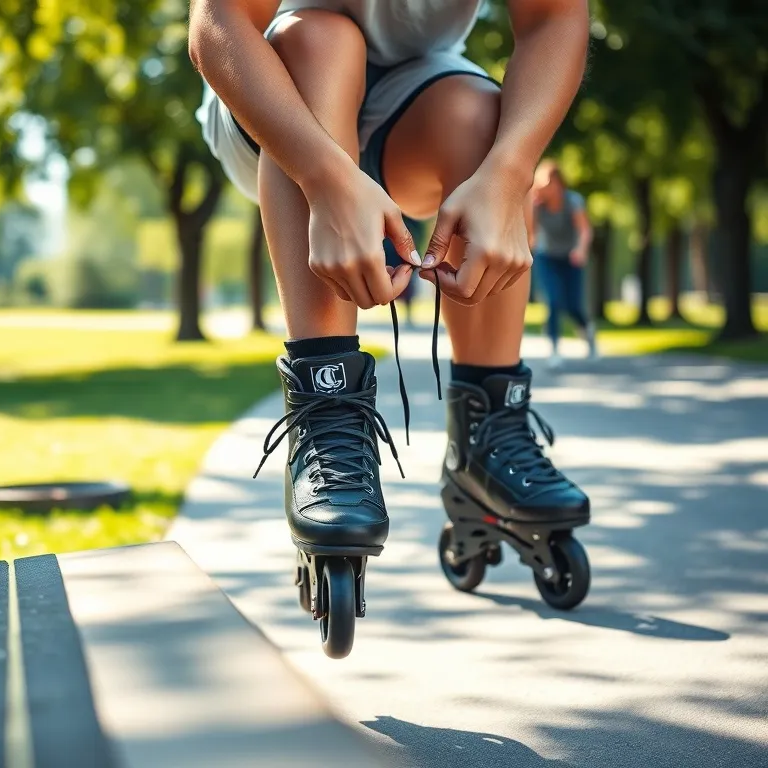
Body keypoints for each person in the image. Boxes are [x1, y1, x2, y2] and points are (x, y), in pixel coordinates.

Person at [190, 0, 593, 651]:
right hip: (279, 96)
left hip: (422, 92)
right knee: (321, 38)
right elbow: (218, 23)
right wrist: (324, 176)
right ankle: (327, 413)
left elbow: (554, 19)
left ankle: (488, 430)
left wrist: (509, 173)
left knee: (486, 118)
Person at [528, 160, 597, 367]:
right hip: (546, 256)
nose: (543, 188)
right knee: (553, 300)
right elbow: (531, 233)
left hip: (571, 257)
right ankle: (554, 348)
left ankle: (588, 333)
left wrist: (581, 250)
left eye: (547, 183)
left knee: (574, 305)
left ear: (558, 183)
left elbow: (585, 230)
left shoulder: (573, 201)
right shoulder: (536, 205)